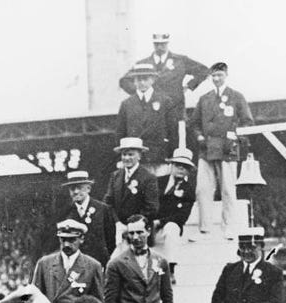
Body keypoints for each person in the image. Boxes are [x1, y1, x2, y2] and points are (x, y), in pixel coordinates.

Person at [188, 62, 254, 242]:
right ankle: (204, 229)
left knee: (227, 190)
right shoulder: (204, 98)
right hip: (206, 150)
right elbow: (193, 124)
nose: (216, 79)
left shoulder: (236, 96)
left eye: (219, 75)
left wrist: (235, 136)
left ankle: (229, 227)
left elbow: (247, 121)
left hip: (227, 149)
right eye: (214, 76)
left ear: (226, 75)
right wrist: (200, 137)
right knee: (202, 190)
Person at [119, 32, 209, 119]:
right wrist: (140, 93)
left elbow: (204, 71)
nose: (159, 47)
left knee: (175, 133)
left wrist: (189, 86)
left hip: (174, 109)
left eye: (163, 44)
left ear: (167, 43)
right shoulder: (144, 64)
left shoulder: (180, 61)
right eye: (157, 44)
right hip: (150, 110)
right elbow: (124, 81)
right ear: (153, 44)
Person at [116, 63, 180, 175]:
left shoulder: (165, 101)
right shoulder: (127, 104)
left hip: (159, 157)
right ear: (134, 81)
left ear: (153, 80)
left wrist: (171, 156)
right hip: (135, 159)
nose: (142, 83)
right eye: (138, 79)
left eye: (145, 79)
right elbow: (120, 133)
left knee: (159, 189)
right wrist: (122, 158)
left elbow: (173, 131)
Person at [104, 137, 160, 248]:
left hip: (139, 230)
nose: (126, 158)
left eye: (131, 154)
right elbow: (108, 203)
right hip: (118, 229)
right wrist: (117, 223)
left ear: (139, 156)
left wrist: (131, 226)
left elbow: (152, 208)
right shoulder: (115, 176)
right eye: (124, 155)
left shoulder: (148, 178)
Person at [56, 170, 117, 267]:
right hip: (74, 265)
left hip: (99, 263)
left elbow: (111, 241)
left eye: (79, 188)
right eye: (72, 189)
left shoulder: (103, 209)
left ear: (88, 189)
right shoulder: (65, 212)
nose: (76, 192)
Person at [154, 148, 198, 281]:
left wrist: (160, 222)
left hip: (168, 224)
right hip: (150, 224)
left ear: (189, 171)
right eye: (178, 165)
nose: (181, 169)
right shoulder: (157, 182)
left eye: (185, 167)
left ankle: (170, 270)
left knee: (172, 229)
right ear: (171, 166)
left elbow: (182, 217)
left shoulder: (188, 190)